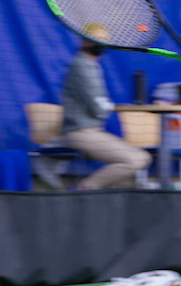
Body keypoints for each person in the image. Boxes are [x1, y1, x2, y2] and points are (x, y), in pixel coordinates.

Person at [60, 37, 151, 190]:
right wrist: (105, 106)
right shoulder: (81, 65)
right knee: (136, 160)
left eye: (102, 40)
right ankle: (84, 190)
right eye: (94, 40)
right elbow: (99, 109)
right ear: (84, 41)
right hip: (80, 133)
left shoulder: (91, 66)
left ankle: (96, 192)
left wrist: (105, 106)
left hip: (92, 131)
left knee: (141, 159)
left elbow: (101, 105)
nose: (99, 43)